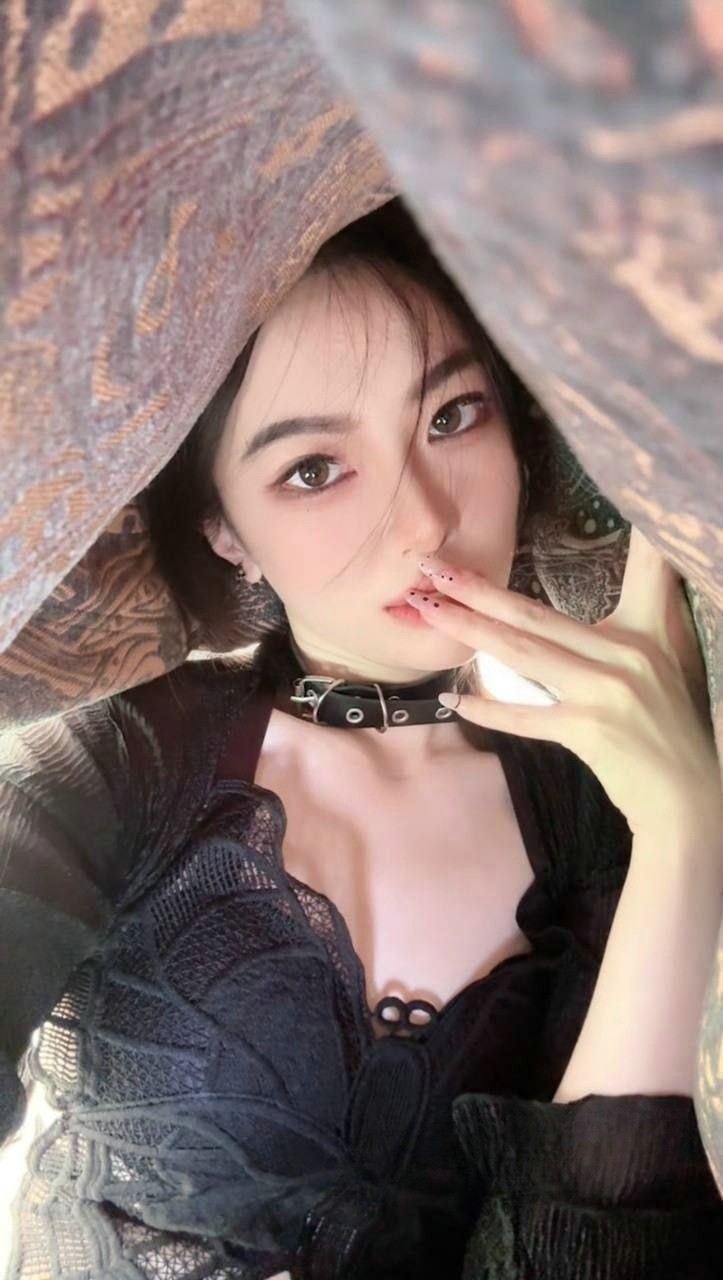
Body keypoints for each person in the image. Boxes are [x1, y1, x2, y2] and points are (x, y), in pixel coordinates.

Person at [1, 197, 721, 1280]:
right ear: (227, 529)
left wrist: (684, 826)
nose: (425, 520)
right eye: (313, 468)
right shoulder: (111, 765)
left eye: (452, 416)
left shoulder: (595, 806)